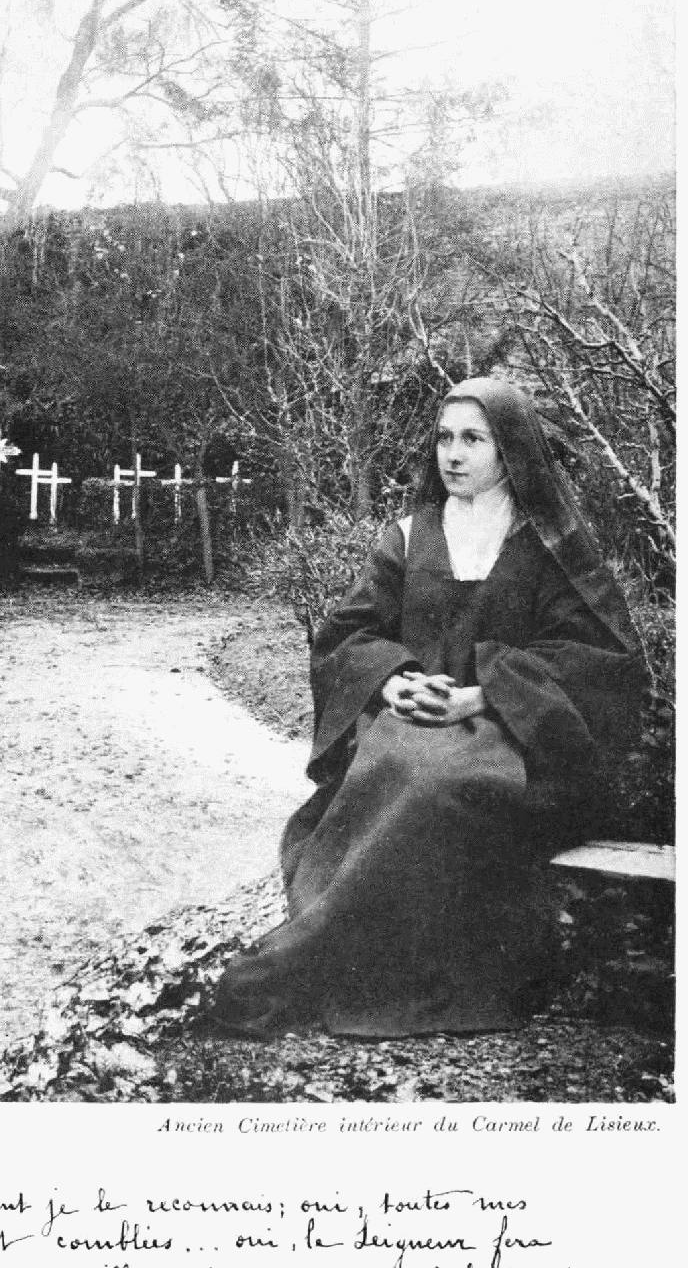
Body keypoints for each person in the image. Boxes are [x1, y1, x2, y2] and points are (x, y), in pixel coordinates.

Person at [213, 376, 643, 1039]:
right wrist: (393, 683)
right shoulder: (411, 536)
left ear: (510, 452)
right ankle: (329, 951)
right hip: (413, 720)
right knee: (393, 769)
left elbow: (598, 658)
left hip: (514, 738)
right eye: (444, 438)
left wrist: (485, 694)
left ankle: (301, 963)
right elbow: (348, 634)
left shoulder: (549, 544)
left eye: (473, 439)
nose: (453, 453)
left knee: (435, 785)